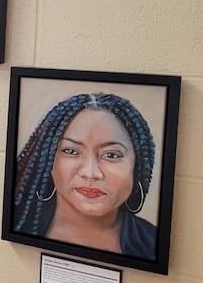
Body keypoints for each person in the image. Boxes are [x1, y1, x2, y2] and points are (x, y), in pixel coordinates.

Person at [13, 93, 157, 260]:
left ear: (137, 167)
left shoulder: (152, 244)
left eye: (111, 155)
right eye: (71, 151)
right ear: (48, 160)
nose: (90, 173)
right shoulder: (19, 224)